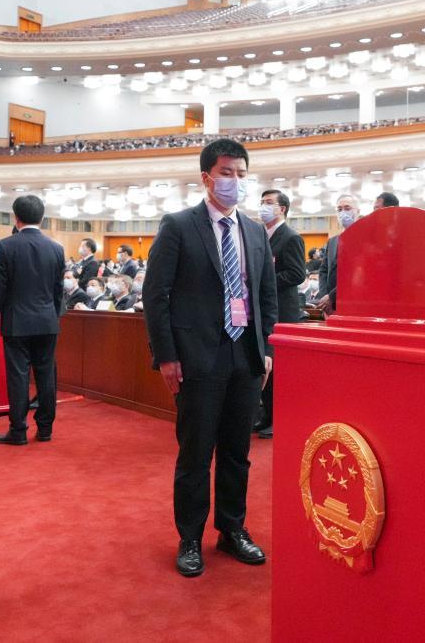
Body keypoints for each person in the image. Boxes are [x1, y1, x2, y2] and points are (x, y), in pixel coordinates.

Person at [142, 138, 277, 579]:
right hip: (197, 357)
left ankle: (232, 529)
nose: (234, 181)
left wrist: (267, 350)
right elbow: (156, 295)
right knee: (196, 453)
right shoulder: (179, 226)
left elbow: (266, 297)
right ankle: (189, 537)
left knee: (238, 452)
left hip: (246, 355)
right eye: (226, 173)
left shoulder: (254, 231)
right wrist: (166, 356)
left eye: (241, 174)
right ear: (206, 178)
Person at [0, 195, 65, 446]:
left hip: (16, 322)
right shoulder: (57, 248)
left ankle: (18, 430)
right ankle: (45, 429)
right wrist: (52, 316)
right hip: (47, 321)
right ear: (42, 217)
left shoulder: (5, 246)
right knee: (46, 375)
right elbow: (58, 291)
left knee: (18, 377)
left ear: (16, 218)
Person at [253, 188, 306, 440]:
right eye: (262, 202)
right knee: (265, 365)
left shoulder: (290, 237)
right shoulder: (261, 235)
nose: (263, 206)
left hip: (283, 312)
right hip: (264, 312)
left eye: (268, 202)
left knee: (280, 369)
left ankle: (280, 419)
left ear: (281, 209)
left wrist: (264, 282)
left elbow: (296, 274)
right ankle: (266, 415)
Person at [316, 194, 360, 314]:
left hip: (353, 302)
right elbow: (324, 270)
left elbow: (356, 275)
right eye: (339, 209)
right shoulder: (332, 241)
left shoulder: (364, 239)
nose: (343, 212)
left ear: (357, 211)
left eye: (347, 208)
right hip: (329, 305)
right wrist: (324, 296)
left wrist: (331, 296)